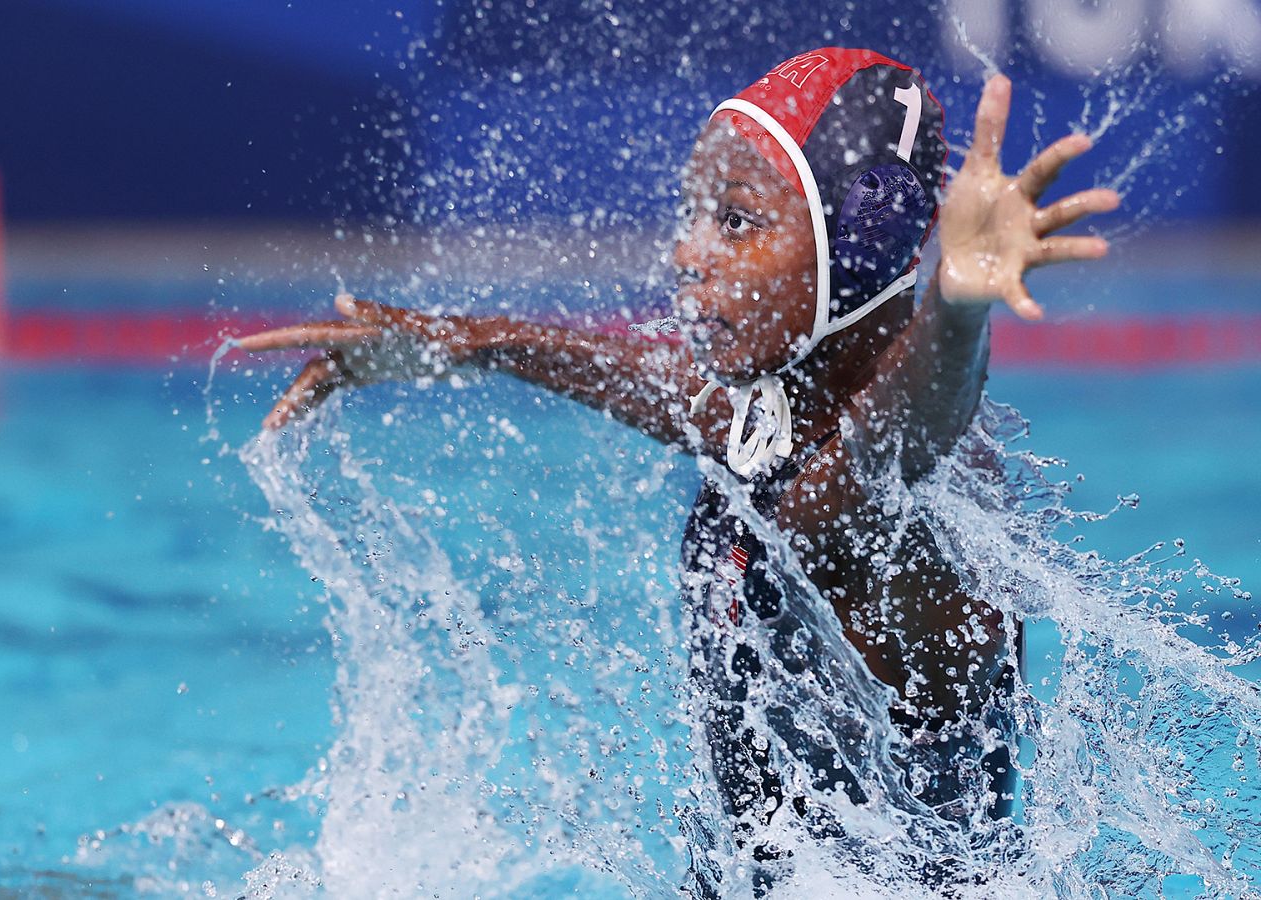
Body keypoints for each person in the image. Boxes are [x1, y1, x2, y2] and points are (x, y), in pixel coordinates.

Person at [238, 48, 1119, 891]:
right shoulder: (777, 409)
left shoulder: (900, 476)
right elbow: (675, 393)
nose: (690, 256)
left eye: (735, 220)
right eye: (691, 216)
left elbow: (907, 432)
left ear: (856, 244)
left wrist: (958, 304)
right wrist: (471, 343)